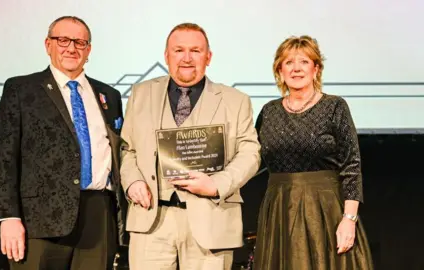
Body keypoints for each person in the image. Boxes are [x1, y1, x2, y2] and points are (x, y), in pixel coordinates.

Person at [0, 16, 127, 270]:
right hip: (39, 221)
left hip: (99, 216)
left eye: (80, 42)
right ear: (48, 44)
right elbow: (2, 157)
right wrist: (8, 216)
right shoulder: (22, 89)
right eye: (63, 40)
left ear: (89, 50)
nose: (71, 48)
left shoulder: (109, 95)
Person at [119, 22, 261, 270]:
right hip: (152, 219)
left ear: (209, 57)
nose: (186, 58)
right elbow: (127, 149)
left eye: (195, 51)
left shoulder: (235, 100)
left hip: (211, 220)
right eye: (178, 50)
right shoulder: (141, 93)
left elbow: (250, 153)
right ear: (166, 55)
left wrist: (217, 184)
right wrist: (133, 181)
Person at [253, 35, 373, 269]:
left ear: (316, 69)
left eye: (304, 62)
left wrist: (349, 219)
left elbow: (351, 165)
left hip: (324, 211)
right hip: (279, 209)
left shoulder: (334, 107)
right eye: (289, 62)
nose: (296, 69)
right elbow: (252, 159)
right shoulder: (269, 111)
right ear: (280, 70)